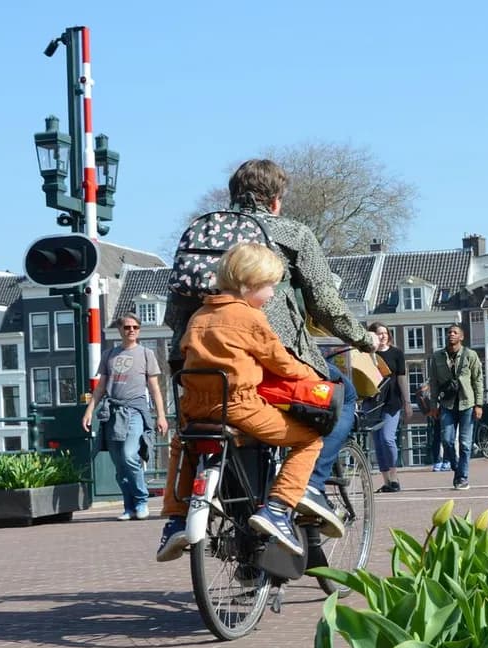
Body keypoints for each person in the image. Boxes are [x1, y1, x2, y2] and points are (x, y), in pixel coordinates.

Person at [161, 158, 378, 548]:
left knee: (191, 440)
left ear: (232, 196)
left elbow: (174, 310)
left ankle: (190, 518)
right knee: (340, 398)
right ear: (275, 200)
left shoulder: (202, 235)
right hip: (272, 362)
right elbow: (326, 305)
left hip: (200, 373)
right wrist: (363, 338)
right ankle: (306, 488)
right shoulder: (292, 233)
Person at [157, 242, 325, 560]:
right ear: (249, 284)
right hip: (238, 405)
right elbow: (282, 363)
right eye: (269, 287)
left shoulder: (200, 316)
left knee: (183, 448)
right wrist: (314, 378)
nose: (272, 294)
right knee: (308, 439)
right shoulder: (250, 318)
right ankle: (277, 509)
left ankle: (175, 520)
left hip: (193, 407)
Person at [82, 314, 168, 521]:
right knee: (119, 463)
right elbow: (101, 387)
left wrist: (161, 416)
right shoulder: (109, 354)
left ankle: (141, 500)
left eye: (136, 327)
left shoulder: (146, 354)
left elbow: (155, 388)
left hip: (135, 410)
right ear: (120, 330)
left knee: (130, 455)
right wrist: (89, 411)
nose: (132, 330)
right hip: (112, 412)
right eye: (128, 327)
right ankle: (128, 506)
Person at [428, 324, 484, 490]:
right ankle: (456, 467)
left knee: (465, 444)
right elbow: (434, 382)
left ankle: (462, 477)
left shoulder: (470, 355)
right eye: (449, 333)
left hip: (467, 403)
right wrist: (433, 405)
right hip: (447, 404)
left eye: (455, 332)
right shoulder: (437, 357)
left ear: (462, 337)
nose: (451, 335)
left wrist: (479, 404)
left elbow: (478, 380)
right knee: (447, 440)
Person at [368, 322, 412, 493]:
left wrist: (407, 402)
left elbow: (402, 378)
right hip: (372, 402)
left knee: (387, 438)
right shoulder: (367, 354)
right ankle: (387, 482)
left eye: (385, 333)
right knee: (378, 442)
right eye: (379, 333)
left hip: (392, 401)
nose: (383, 336)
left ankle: (394, 477)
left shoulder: (396, 353)